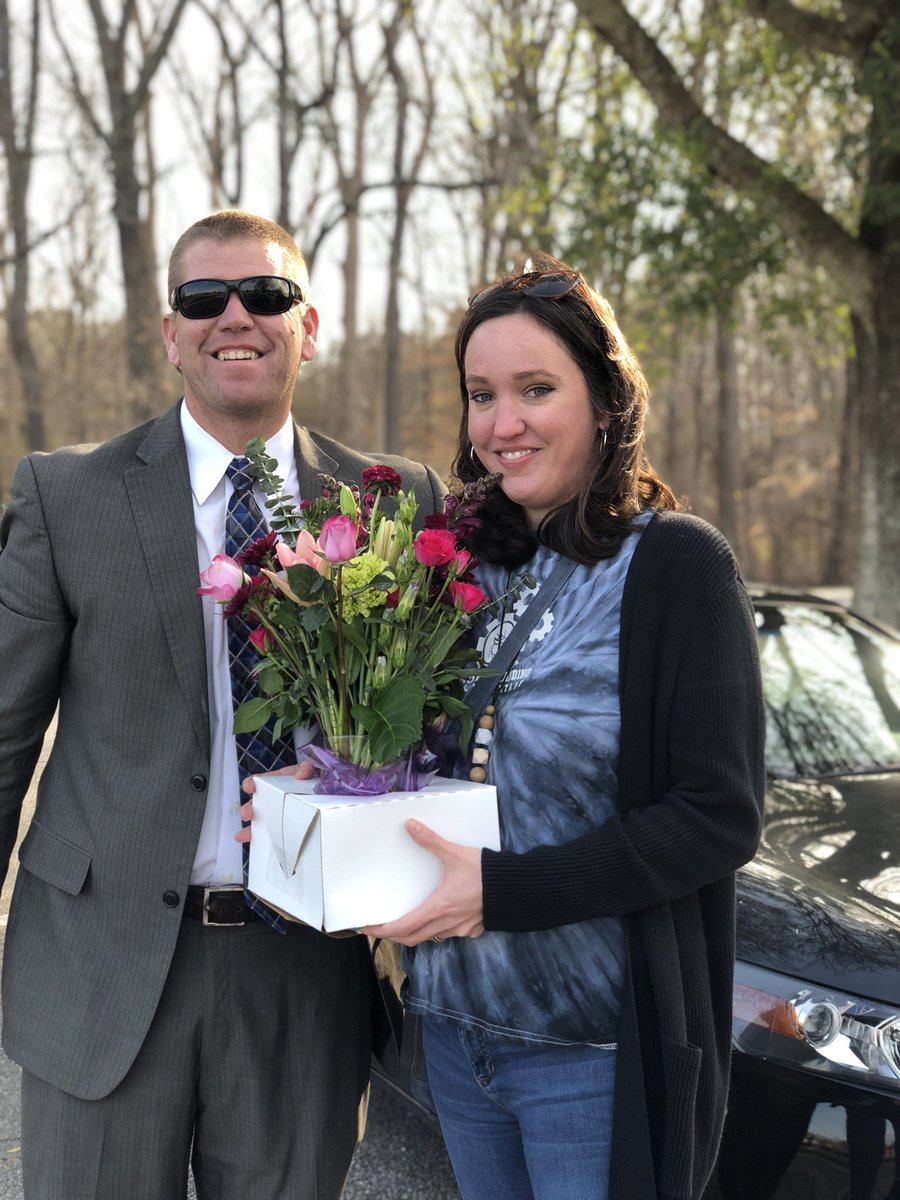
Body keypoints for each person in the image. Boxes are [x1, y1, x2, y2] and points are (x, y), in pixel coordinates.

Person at [0, 208, 444, 1199]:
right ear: (171, 333)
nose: (234, 317)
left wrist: (356, 776)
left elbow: (433, 729)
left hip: (304, 972)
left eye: (267, 295)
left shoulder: (388, 502)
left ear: (310, 325)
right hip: (100, 970)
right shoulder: (67, 498)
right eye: (204, 298)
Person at [362, 254, 767, 1200]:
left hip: (591, 1056)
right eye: (481, 394)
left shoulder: (674, 566)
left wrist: (502, 892)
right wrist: (309, 801)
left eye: (535, 389)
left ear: (605, 398)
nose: (503, 424)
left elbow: (719, 815)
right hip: (456, 1038)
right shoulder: (461, 568)